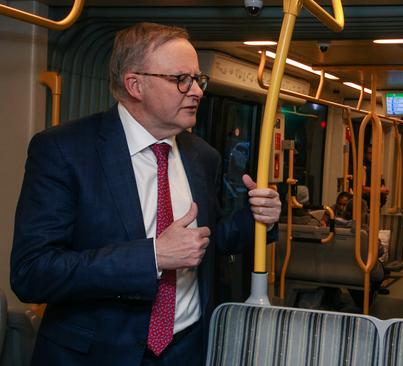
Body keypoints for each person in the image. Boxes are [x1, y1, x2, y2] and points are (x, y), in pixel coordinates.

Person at [10, 22, 281, 366]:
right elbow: (33, 273)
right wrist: (152, 256)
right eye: (181, 79)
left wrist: (260, 218)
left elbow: (210, 239)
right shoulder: (64, 150)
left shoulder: (202, 155)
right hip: (98, 354)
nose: (196, 91)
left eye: (198, 79)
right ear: (135, 84)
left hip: (188, 348)